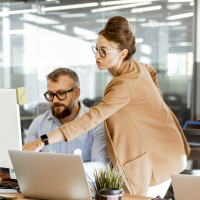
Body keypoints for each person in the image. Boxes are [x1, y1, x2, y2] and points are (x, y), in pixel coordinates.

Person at [23, 16, 191, 196]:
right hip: (169, 151)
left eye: (103, 51)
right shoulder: (138, 68)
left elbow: (90, 119)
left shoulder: (123, 84)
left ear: (122, 53)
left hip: (156, 160)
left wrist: (43, 140)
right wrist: (154, 110)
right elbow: (151, 71)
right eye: (96, 49)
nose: (97, 56)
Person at [26, 68, 110, 176]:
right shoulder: (39, 123)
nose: (55, 100)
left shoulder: (96, 123)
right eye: (51, 94)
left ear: (76, 93)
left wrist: (64, 166)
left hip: (84, 190)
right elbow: (27, 162)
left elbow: (102, 167)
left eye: (61, 93)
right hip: (45, 188)